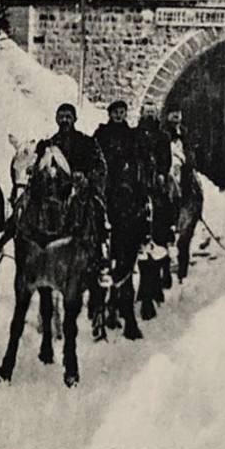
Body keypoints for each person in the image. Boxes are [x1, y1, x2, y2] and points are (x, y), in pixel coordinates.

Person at [93, 101, 147, 341]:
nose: (118, 115)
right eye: (115, 112)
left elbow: (140, 163)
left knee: (144, 213)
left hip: (127, 194)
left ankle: (146, 239)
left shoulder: (133, 136)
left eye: (122, 112)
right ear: (109, 114)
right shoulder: (101, 135)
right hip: (106, 192)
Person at [135, 109, 176, 314]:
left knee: (166, 201)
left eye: (152, 113)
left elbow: (166, 159)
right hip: (140, 184)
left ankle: (168, 229)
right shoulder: (136, 135)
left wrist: (161, 173)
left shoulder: (163, 137)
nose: (149, 116)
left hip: (155, 183)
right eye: (146, 112)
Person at [167, 108, 206, 282]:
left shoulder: (185, 133)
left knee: (195, 187)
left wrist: (189, 162)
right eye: (173, 114)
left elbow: (192, 154)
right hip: (170, 166)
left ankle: (183, 265)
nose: (176, 117)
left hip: (185, 169)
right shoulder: (164, 132)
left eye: (178, 114)